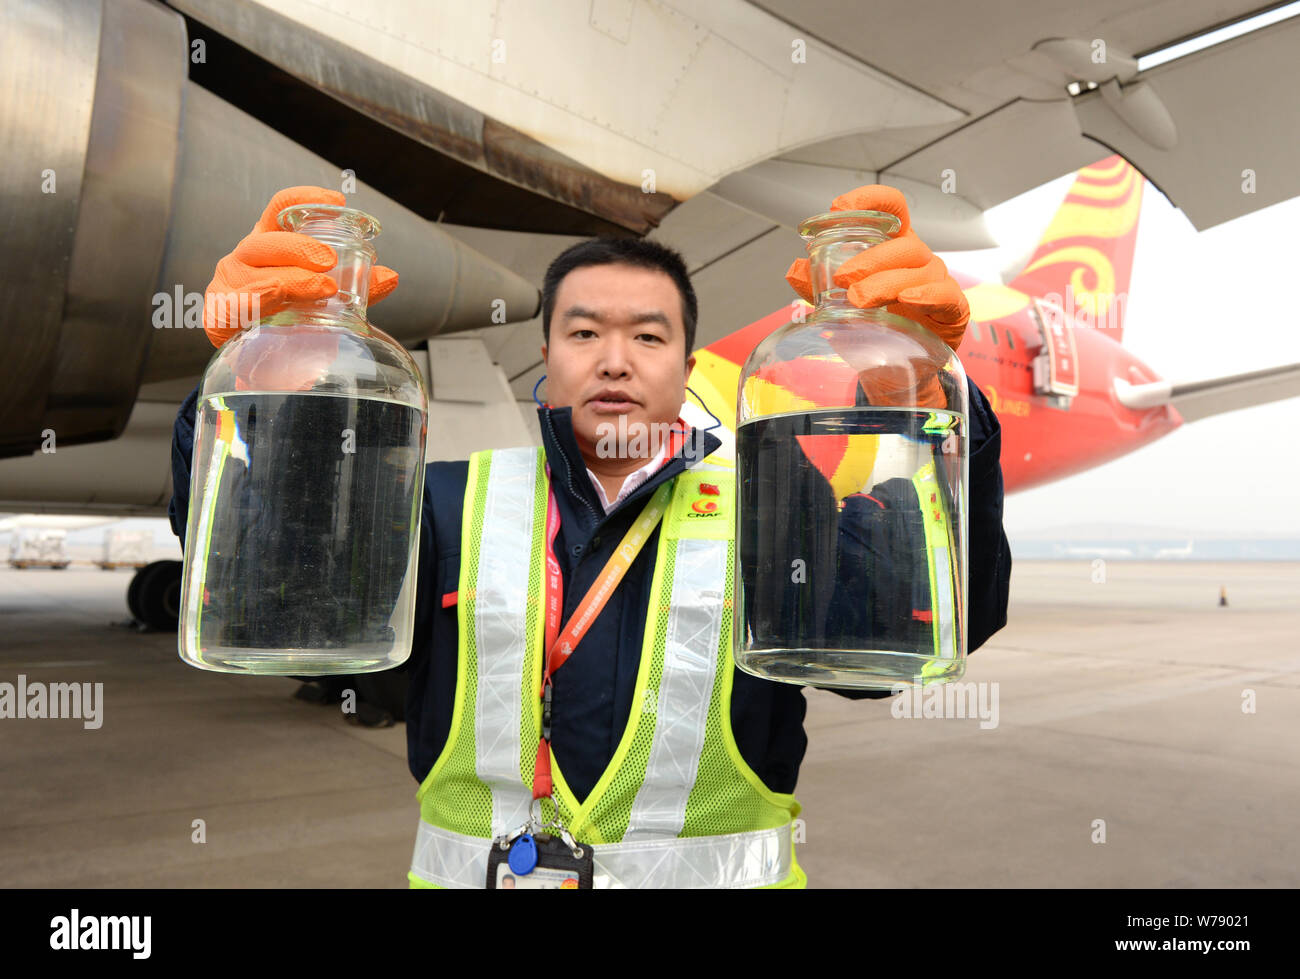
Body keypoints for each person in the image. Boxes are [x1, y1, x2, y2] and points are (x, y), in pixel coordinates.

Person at [169, 185, 1012, 888]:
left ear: (687, 366)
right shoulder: (446, 502)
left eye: (649, 336)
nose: (615, 360)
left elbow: (908, 628)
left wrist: (932, 390)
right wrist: (280, 400)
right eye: (584, 333)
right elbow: (276, 595)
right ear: (546, 354)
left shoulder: (775, 504)